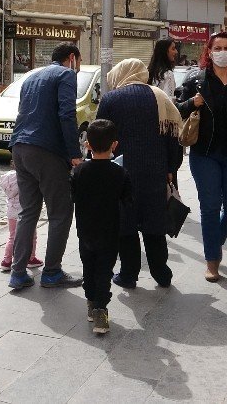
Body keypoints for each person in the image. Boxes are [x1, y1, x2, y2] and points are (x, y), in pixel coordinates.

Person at [177, 32, 227, 282]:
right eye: (217, 47)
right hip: (205, 155)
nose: (222, 52)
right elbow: (177, 111)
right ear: (209, 52)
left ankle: (216, 239)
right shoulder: (196, 79)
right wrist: (194, 101)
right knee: (210, 206)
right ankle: (212, 260)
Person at [98, 58, 183, 289]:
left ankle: (128, 274)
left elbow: (100, 134)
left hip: (121, 172)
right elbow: (173, 138)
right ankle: (161, 273)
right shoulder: (160, 97)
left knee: (125, 225)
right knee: (154, 224)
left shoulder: (111, 99)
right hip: (154, 172)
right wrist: (171, 169)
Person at [7, 43, 84, 290]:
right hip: (46, 150)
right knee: (60, 212)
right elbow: (67, 114)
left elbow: (22, 112)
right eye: (78, 62)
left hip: (21, 147)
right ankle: (51, 272)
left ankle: (18, 272)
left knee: (28, 211)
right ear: (71, 58)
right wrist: (74, 153)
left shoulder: (32, 77)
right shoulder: (66, 74)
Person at [72, 119, 133, 335]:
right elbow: (128, 200)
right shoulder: (120, 173)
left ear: (87, 144)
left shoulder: (79, 172)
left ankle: (91, 302)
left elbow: (72, 196)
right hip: (109, 231)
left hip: (85, 230)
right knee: (104, 271)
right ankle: (100, 310)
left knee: (88, 267)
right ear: (114, 145)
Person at [0, 161, 43, 271]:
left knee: (12, 237)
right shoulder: (26, 178)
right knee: (31, 236)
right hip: (25, 212)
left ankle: (6, 261)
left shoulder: (7, 177)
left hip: (11, 211)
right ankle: (31, 258)